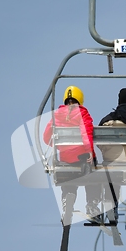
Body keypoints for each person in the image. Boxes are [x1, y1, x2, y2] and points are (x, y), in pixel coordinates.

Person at [43, 85, 101, 224]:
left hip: (65, 159)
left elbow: (47, 137)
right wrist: (88, 150)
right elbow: (86, 132)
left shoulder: (57, 115)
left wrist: (59, 146)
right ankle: (92, 205)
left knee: (68, 177)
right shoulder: (82, 112)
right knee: (94, 176)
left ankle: (67, 200)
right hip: (82, 158)